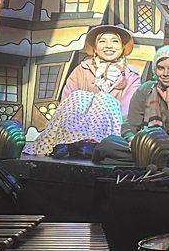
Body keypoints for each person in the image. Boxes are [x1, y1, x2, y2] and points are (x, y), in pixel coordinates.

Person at [26, 24, 141, 157]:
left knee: (104, 98)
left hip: (111, 127)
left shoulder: (131, 75)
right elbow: (67, 101)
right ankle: (66, 143)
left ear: (122, 47)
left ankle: (91, 145)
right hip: (77, 125)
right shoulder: (82, 69)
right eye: (102, 41)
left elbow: (128, 108)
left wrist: (102, 105)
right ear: (95, 48)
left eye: (115, 41)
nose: (109, 46)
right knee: (79, 96)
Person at [93, 45, 169, 167]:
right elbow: (130, 125)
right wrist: (133, 141)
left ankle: (145, 158)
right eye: (160, 68)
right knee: (107, 144)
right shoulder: (146, 89)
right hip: (143, 145)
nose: (165, 74)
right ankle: (158, 158)